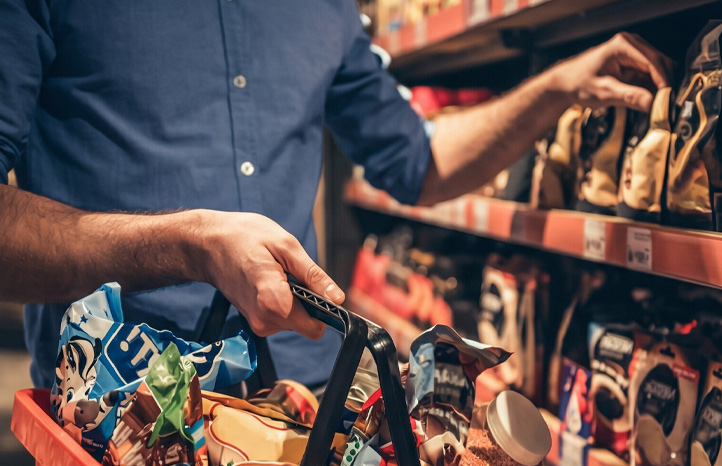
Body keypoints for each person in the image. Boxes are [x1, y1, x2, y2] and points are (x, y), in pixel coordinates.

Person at [0, 1, 669, 391]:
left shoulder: (321, 9)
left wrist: (554, 90)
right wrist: (189, 244)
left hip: (305, 404)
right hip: (120, 408)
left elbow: (419, 162)